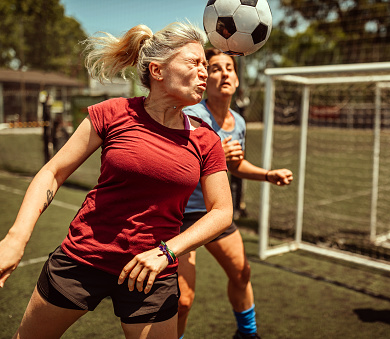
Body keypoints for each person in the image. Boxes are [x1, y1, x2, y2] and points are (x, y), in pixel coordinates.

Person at [0, 22, 233, 339]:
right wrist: (16, 239)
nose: (204, 72)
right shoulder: (113, 113)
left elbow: (222, 211)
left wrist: (167, 251)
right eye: (194, 62)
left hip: (153, 274)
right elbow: (52, 172)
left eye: (205, 64)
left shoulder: (206, 140)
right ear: (157, 70)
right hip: (83, 259)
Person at [178, 48, 293, 339]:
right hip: (180, 214)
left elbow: (236, 165)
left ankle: (247, 334)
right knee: (182, 300)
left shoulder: (238, 122)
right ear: (205, 79)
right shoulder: (191, 115)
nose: (224, 73)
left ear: (238, 79)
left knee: (242, 274)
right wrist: (214, 152)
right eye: (215, 68)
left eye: (229, 67)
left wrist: (268, 174)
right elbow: (175, 163)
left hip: (216, 212)